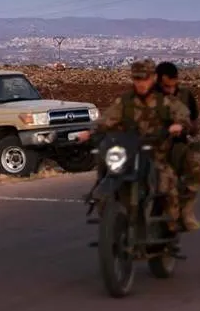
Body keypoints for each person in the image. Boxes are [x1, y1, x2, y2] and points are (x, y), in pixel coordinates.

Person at [80, 59, 192, 232]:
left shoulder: (165, 101)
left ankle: (169, 227)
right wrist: (90, 132)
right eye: (137, 79)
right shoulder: (125, 102)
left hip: (156, 153)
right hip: (129, 152)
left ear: (153, 78)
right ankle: (111, 222)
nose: (141, 83)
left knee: (167, 184)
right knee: (106, 177)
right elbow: (107, 119)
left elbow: (183, 115)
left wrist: (179, 125)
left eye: (145, 78)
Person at [154, 61, 200, 231]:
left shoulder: (184, 95)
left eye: (172, 84)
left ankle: (185, 211)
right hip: (152, 144)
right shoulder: (150, 96)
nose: (169, 89)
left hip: (176, 144)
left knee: (194, 166)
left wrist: (184, 127)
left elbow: (193, 121)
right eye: (165, 86)